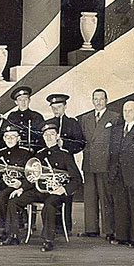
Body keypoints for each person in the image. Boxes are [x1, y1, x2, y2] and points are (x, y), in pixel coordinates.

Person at [1, 122, 82, 252]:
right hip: (39, 190)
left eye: (52, 134)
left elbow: (77, 179)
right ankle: (14, 235)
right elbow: (31, 177)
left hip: (56, 193)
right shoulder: (39, 155)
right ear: (43, 137)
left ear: (57, 136)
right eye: (46, 135)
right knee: (14, 201)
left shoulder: (65, 155)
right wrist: (21, 188)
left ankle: (48, 240)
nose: (49, 137)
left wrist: (63, 189)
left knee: (49, 205)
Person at [78, 89, 120, 239]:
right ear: (92, 100)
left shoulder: (114, 117)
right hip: (89, 163)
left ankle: (109, 231)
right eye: (95, 99)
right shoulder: (85, 118)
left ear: (106, 100)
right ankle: (91, 229)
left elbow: (116, 143)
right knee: (89, 198)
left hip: (105, 164)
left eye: (101, 99)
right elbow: (81, 140)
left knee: (106, 198)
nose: (98, 102)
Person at [44, 93, 85, 233]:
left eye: (59, 107)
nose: (56, 110)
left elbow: (80, 143)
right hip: (51, 166)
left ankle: (65, 228)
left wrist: (65, 144)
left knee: (66, 194)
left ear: (65, 106)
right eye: (53, 108)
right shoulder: (48, 123)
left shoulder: (72, 123)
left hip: (67, 164)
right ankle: (52, 227)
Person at [109, 100, 134, 248]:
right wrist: (112, 173)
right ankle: (122, 236)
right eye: (125, 110)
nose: (127, 113)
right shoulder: (116, 130)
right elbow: (112, 154)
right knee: (120, 206)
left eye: (130, 110)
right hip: (118, 175)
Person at [6, 86, 44, 151]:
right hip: (15, 149)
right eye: (20, 100)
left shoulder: (37, 116)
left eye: (25, 99)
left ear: (29, 100)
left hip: (33, 148)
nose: (23, 102)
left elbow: (41, 137)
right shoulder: (12, 116)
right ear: (16, 102)